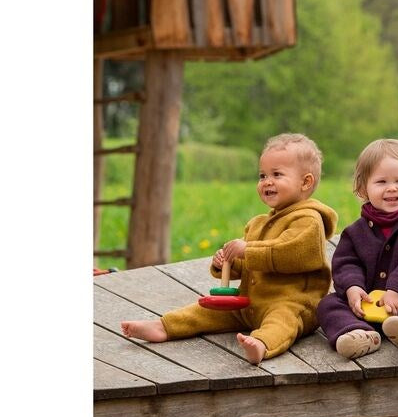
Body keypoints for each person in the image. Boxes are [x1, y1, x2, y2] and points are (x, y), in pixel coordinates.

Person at [121, 133, 338, 365]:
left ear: (305, 182)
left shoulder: (308, 220)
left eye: (277, 174)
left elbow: (291, 254)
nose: (267, 181)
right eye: (262, 175)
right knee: (206, 309)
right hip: (250, 303)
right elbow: (251, 266)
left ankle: (261, 344)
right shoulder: (257, 224)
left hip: (293, 302)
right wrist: (228, 262)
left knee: (282, 321)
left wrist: (248, 250)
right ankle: (165, 326)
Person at [317, 138, 398, 361]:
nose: (392, 188)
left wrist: (397, 290)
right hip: (368, 301)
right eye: (381, 182)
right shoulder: (357, 231)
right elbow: (346, 262)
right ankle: (361, 334)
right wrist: (353, 288)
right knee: (328, 304)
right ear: (363, 189)